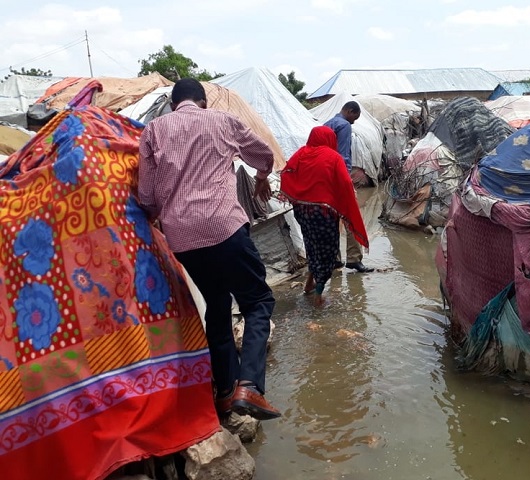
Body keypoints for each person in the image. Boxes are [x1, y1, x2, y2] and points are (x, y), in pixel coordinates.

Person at [137, 78, 281, 421]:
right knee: (258, 302)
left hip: (182, 239)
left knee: (216, 307)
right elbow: (263, 155)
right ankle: (251, 387)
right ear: (202, 102)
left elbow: (146, 197)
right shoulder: (220, 120)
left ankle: (225, 392)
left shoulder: (153, 131)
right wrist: (261, 178)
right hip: (224, 228)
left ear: (174, 105)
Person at [281, 126, 369, 306]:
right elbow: (345, 183)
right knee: (327, 252)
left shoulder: (301, 153)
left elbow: (286, 173)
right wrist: (342, 203)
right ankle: (319, 295)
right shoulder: (333, 157)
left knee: (311, 245)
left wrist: (297, 196)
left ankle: (308, 284)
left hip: (302, 211)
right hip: (323, 213)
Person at [323, 101, 374, 273]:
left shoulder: (327, 124)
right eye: (355, 118)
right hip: (339, 178)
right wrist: (347, 183)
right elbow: (343, 156)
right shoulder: (344, 126)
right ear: (350, 111)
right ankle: (353, 258)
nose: (353, 122)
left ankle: (334, 259)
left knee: (331, 220)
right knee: (351, 218)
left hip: (326, 180)